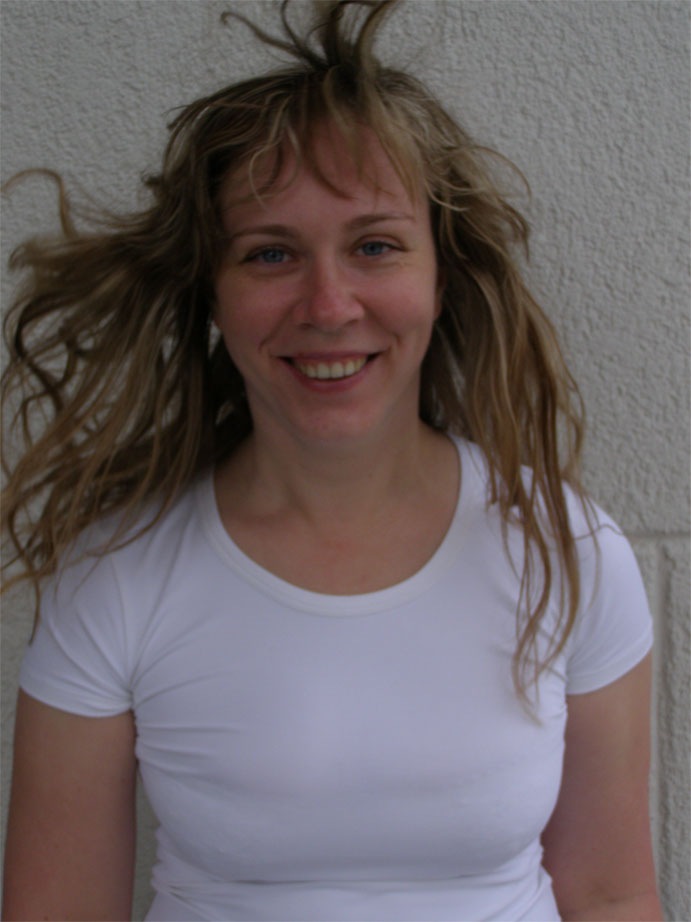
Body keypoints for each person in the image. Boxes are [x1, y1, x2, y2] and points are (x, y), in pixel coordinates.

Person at [1, 2, 662, 920]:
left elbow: (609, 895)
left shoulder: (568, 550)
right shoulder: (117, 571)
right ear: (212, 294)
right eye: (270, 253)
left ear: (440, 276)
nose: (328, 304)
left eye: (374, 246)